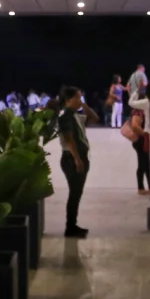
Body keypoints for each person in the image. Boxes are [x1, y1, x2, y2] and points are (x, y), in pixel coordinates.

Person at [54, 86, 90, 238]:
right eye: (77, 98)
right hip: (72, 159)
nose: (79, 101)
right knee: (74, 193)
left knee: (77, 193)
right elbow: (69, 139)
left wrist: (85, 106)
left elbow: (94, 118)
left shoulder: (74, 114)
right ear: (69, 100)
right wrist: (77, 159)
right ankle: (70, 227)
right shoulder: (66, 116)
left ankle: (72, 225)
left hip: (79, 157)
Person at [122, 95, 149, 194]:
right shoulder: (138, 112)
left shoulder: (138, 111)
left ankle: (147, 187)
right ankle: (141, 188)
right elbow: (135, 125)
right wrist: (145, 134)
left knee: (145, 164)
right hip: (140, 141)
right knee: (143, 164)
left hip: (140, 141)